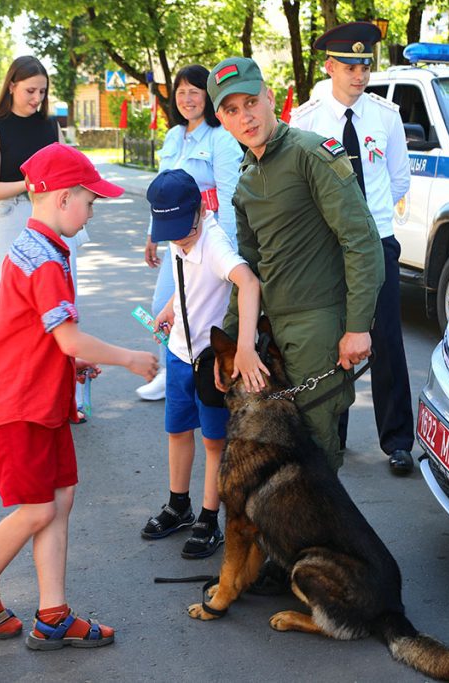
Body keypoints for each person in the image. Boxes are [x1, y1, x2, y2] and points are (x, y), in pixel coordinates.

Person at [0, 143, 158, 650]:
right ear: (64, 198)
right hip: (17, 404)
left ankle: (53, 616)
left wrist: (69, 363)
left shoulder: (41, 246)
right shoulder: (43, 258)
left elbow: (41, 332)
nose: (91, 213)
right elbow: (66, 335)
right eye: (90, 202)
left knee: (59, 501)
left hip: (40, 401)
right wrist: (128, 358)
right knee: (39, 509)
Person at [207, 56, 384, 473]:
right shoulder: (246, 178)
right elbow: (248, 268)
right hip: (274, 333)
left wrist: (358, 326)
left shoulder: (311, 154)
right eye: (232, 110)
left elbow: (361, 240)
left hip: (319, 328)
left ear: (270, 98)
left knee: (316, 462)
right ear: (222, 120)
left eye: (251, 102)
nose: (245, 117)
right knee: (282, 464)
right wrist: (231, 342)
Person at [291, 21, 415, 475]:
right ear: (329, 67)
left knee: (385, 340)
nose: (359, 74)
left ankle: (399, 440)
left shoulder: (385, 116)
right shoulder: (305, 121)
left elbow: (398, 177)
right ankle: (331, 440)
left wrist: (371, 219)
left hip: (378, 241)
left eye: (365, 64)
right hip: (328, 247)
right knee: (332, 342)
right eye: (349, 66)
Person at [138, 169, 267, 557]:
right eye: (170, 229)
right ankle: (179, 505)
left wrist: (245, 346)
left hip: (210, 365)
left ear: (200, 209)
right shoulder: (182, 235)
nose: (178, 237)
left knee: (214, 443)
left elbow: (249, 283)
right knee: (177, 431)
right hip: (179, 355)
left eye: (183, 228)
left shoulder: (213, 242)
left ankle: (209, 519)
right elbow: (184, 284)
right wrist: (168, 309)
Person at [0, 55, 91, 421]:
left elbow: (66, 173)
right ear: (11, 85)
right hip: (14, 218)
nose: (36, 98)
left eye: (42, 92)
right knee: (12, 314)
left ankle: (66, 399)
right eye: (30, 91)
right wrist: (33, 185)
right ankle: (14, 397)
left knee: (62, 308)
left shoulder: (50, 127)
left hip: (55, 221)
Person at [136, 65, 244, 402]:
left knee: (199, 312)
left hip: (207, 237)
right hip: (176, 239)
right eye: (181, 92)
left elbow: (229, 196)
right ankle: (174, 372)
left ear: (208, 97)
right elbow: (161, 193)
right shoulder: (172, 137)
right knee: (162, 305)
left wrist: (224, 251)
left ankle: (207, 377)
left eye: (194, 91)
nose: (187, 99)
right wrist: (154, 233)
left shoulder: (222, 138)